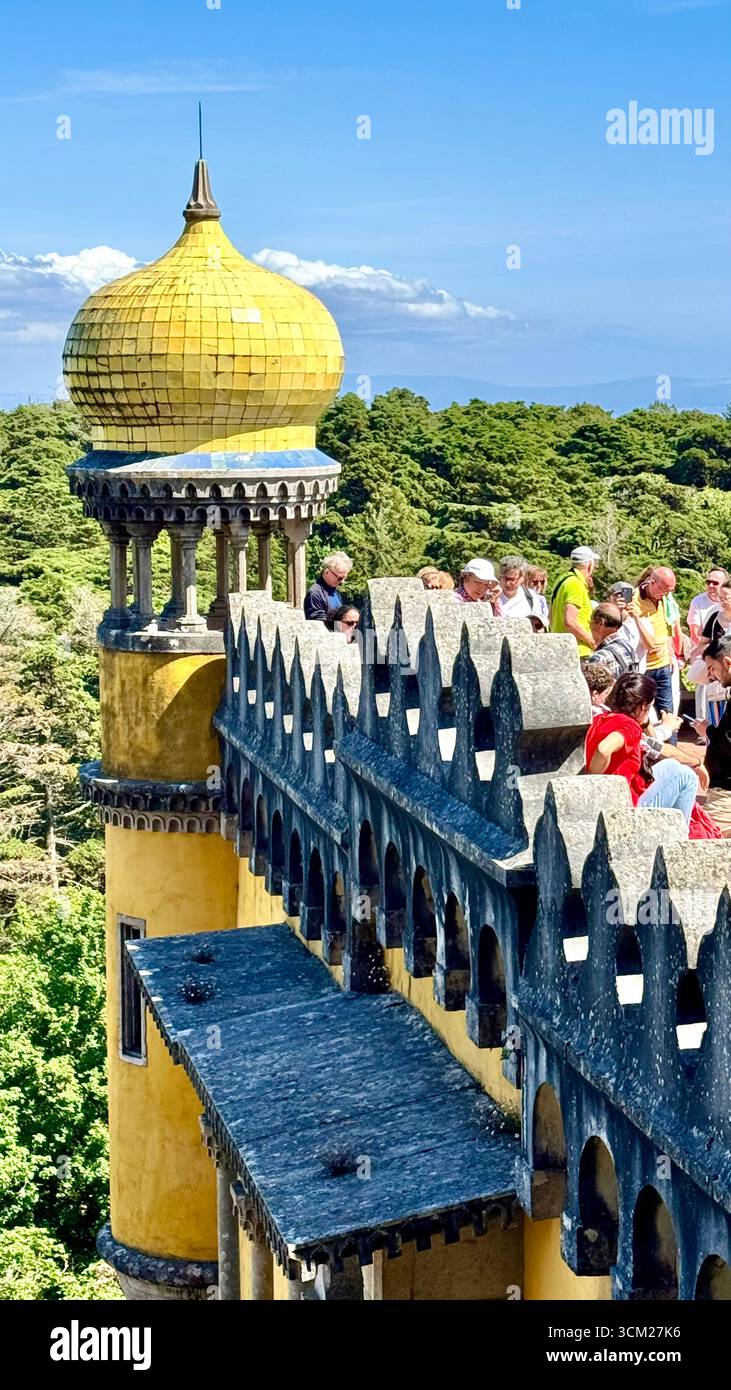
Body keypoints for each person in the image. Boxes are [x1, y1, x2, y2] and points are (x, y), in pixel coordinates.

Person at [584, 671, 700, 828]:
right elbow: (604, 749)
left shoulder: (600, 719)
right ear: (644, 706)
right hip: (623, 809)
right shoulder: (630, 726)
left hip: (612, 799)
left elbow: (655, 747)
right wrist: (596, 780)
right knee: (687, 776)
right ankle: (679, 834)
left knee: (672, 766)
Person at [629, 567, 677, 722]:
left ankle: (671, 743)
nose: (666, 594)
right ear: (651, 582)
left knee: (667, 712)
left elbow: (668, 623)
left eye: (670, 591)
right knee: (643, 713)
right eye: (663, 590)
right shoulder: (635, 599)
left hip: (663, 663)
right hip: (645, 665)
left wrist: (671, 650)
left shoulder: (665, 598)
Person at [688, 579, 731, 729]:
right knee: (716, 720)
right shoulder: (714, 618)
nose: (723, 601)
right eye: (721, 598)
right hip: (716, 678)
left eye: (727, 598)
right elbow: (703, 643)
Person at [700, 634, 731, 835]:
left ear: (727, 662)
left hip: (726, 796)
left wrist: (708, 730)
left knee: (707, 845)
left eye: (713, 667)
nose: (711, 675)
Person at [549, 545, 600, 655]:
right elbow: (570, 622)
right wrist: (592, 641)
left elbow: (551, 615)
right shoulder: (575, 584)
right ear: (590, 565)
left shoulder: (562, 579)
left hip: (559, 647)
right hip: (577, 650)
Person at [585, 602, 639, 677]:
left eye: (591, 623)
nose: (590, 627)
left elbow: (592, 688)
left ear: (601, 623)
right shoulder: (630, 648)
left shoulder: (600, 657)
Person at [304, 552, 353, 622]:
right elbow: (318, 625)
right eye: (340, 578)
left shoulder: (334, 591)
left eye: (345, 578)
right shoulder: (315, 593)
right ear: (327, 572)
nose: (342, 582)